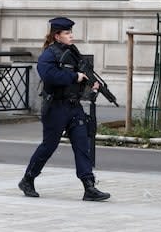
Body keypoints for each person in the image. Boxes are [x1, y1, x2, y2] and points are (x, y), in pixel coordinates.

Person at [18, 16, 110, 201]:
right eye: (67, 33)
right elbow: (50, 76)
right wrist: (73, 77)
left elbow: (82, 75)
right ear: (57, 35)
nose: (71, 36)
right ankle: (28, 179)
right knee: (49, 146)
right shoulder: (48, 55)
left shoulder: (73, 53)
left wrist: (91, 86)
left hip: (73, 106)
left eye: (71, 32)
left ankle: (89, 186)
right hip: (55, 107)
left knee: (82, 144)